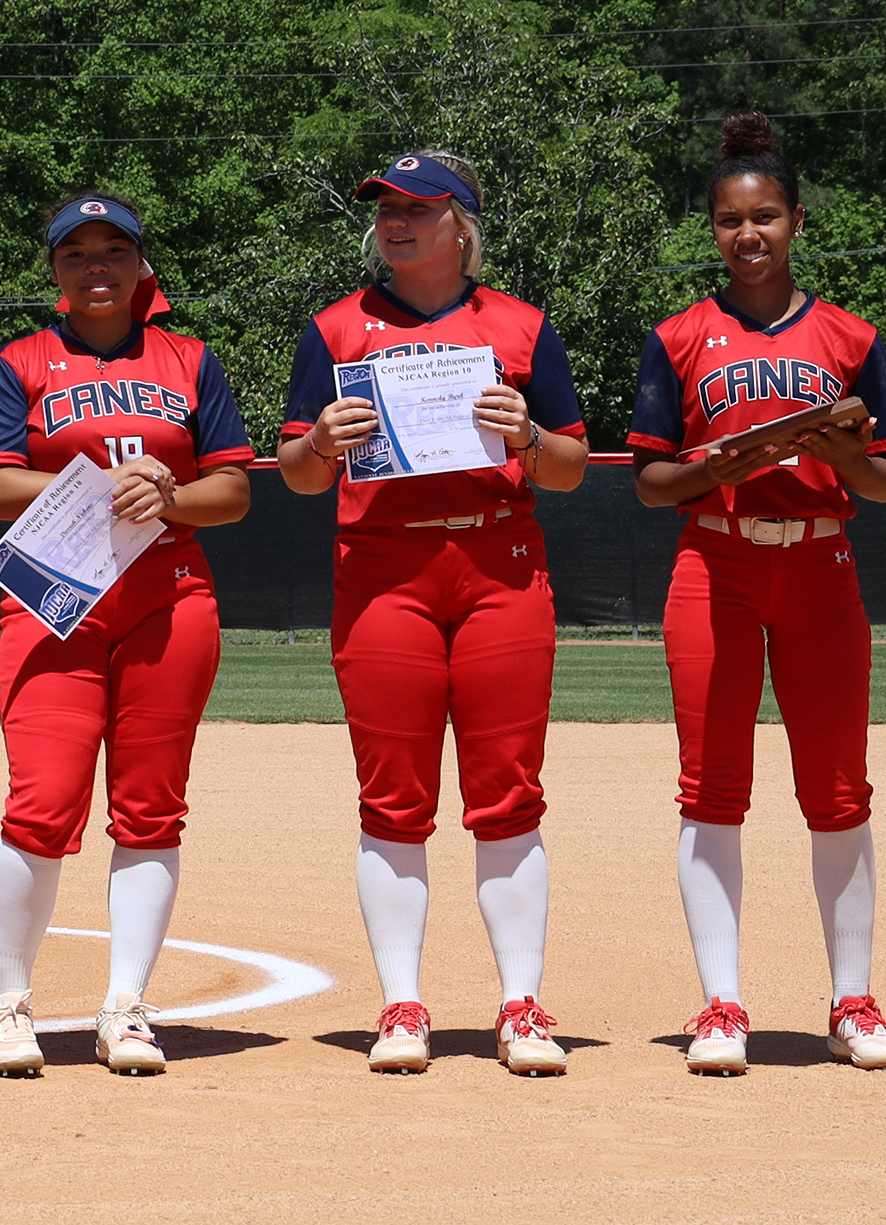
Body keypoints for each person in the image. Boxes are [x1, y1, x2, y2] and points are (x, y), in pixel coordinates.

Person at [277, 151, 590, 1077]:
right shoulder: (335, 328)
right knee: (393, 796)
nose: (396, 222)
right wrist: (320, 445)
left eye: (417, 207)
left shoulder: (521, 327)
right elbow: (295, 472)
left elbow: (571, 464)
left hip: (498, 559)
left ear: (462, 222)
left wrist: (527, 436)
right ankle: (401, 1003)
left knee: (508, 792)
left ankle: (521, 1004)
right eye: (385, 208)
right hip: (383, 570)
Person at [628, 111, 886, 1076]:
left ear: (796, 220)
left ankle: (855, 1002)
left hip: (822, 565)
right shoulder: (679, 339)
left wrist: (837, 447)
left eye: (765, 216)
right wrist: (733, 458)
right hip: (716, 564)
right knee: (712, 790)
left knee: (837, 791)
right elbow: (652, 481)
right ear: (711, 228)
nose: (746, 234)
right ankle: (720, 1006)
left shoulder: (848, 335)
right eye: (727, 219)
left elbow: (881, 481)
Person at [0, 194, 252, 1077]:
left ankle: (127, 1005)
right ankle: (9, 1002)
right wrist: (98, 480)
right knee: (41, 807)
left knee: (151, 810)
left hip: (168, 595)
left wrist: (165, 495)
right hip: (57, 597)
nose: (96, 267)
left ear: (140, 267)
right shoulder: (22, 362)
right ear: (54, 270)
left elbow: (233, 491)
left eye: (113, 251)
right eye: (76, 253)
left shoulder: (190, 358)